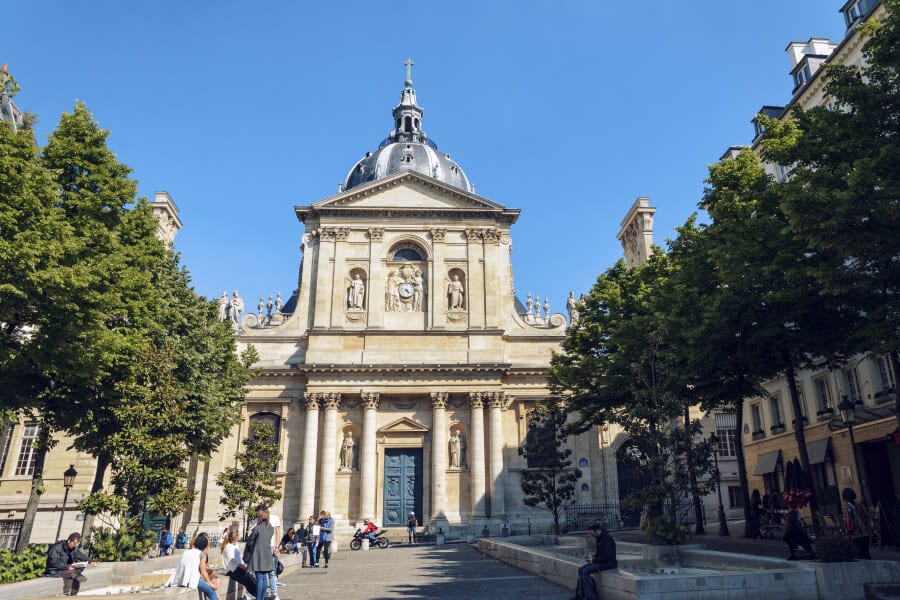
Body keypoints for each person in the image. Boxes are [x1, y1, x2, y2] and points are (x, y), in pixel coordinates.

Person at [167, 533, 219, 600]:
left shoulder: (187, 551)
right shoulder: (202, 554)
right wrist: (210, 584)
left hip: (180, 578)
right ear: (205, 545)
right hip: (192, 580)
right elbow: (203, 572)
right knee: (211, 592)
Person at [44, 532, 97, 596]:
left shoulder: (73, 548)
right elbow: (53, 562)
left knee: (79, 571)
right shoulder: (57, 547)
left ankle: (73, 595)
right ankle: (75, 576)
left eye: (76, 544)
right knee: (73, 575)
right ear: (69, 540)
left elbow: (79, 555)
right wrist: (67, 567)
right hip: (54, 570)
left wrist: (90, 561)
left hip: (66, 568)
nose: (74, 546)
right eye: (74, 543)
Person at [573, 524, 617, 600]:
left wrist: (594, 560)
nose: (592, 536)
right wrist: (592, 557)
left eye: (592, 534)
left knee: (585, 571)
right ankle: (580, 595)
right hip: (602, 562)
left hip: (609, 563)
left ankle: (589, 597)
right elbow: (599, 554)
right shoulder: (599, 538)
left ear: (598, 530)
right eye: (590, 534)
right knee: (580, 569)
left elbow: (607, 556)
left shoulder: (607, 539)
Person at [249, 504, 282, 598]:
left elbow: (252, 539)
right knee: (266, 575)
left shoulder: (273, 519)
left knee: (267, 574)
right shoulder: (267, 526)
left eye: (258, 513)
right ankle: (263, 596)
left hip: (263, 550)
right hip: (267, 549)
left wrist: (276, 547)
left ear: (262, 512)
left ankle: (273, 594)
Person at [220, 530, 256, 599]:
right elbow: (233, 561)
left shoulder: (234, 545)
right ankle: (258, 594)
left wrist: (244, 566)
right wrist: (244, 567)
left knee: (250, 578)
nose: (241, 536)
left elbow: (239, 559)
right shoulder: (229, 547)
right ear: (236, 538)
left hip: (237, 568)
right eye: (239, 535)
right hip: (232, 571)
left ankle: (258, 594)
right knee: (249, 580)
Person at [843, 487, 871, 559]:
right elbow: (867, 517)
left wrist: (847, 534)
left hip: (856, 535)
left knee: (859, 555)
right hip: (866, 533)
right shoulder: (861, 506)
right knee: (866, 554)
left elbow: (849, 522)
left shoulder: (848, 508)